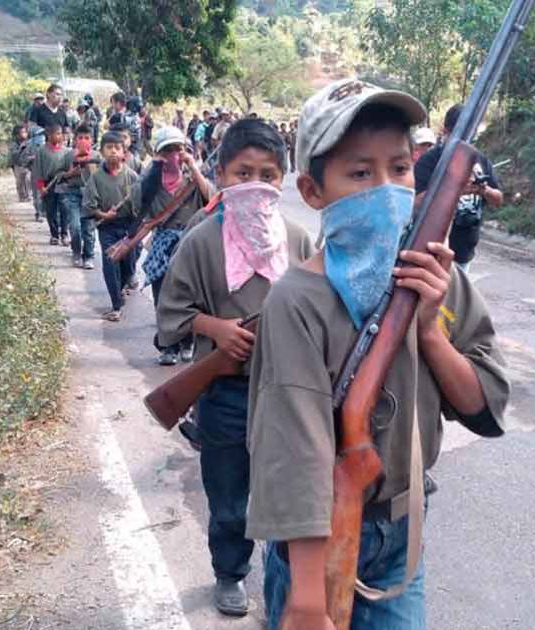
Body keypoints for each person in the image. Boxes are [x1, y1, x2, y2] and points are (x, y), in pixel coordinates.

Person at [246, 78, 510, 630]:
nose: (387, 189)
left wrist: (429, 330)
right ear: (312, 190)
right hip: (313, 541)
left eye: (400, 168)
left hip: (402, 532)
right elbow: (293, 454)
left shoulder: (438, 279)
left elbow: (484, 406)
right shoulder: (296, 300)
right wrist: (307, 600)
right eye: (360, 173)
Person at [155, 119, 314, 617]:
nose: (256, 184)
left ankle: (289, 580)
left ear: (283, 180)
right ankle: (230, 573)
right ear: (221, 174)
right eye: (243, 173)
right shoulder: (202, 240)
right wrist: (216, 328)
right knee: (228, 497)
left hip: (288, 393)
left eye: (268, 175)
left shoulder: (297, 239)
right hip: (225, 391)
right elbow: (170, 315)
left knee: (290, 493)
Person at [133, 126, 214, 364]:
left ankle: (187, 341)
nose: (173, 156)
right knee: (163, 297)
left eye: (178, 150)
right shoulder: (150, 179)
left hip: (190, 243)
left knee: (190, 296)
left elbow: (212, 198)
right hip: (163, 244)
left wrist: (193, 167)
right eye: (167, 151)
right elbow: (137, 203)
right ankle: (168, 346)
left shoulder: (193, 178)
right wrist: (154, 170)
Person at [414, 103, 504, 272]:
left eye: (472, 135)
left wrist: (484, 190)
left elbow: (498, 199)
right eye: (462, 135)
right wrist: (454, 189)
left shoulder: (480, 160)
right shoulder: (430, 161)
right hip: (430, 251)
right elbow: (415, 203)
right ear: (446, 131)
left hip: (464, 254)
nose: (466, 141)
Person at [83, 131, 140, 322]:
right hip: (107, 227)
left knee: (128, 266)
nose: (113, 151)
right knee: (110, 265)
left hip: (128, 227)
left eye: (117, 148)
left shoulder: (132, 176)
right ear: (101, 152)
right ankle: (116, 305)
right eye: (109, 148)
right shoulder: (96, 178)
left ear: (124, 152)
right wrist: (103, 214)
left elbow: (141, 203)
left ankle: (121, 288)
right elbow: (90, 206)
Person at [32, 124, 75, 247]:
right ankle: (54, 234)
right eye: (57, 134)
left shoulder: (67, 151)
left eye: (60, 134)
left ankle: (64, 234)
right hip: (48, 184)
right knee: (51, 210)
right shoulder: (41, 151)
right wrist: (41, 187)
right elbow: (38, 170)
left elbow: (69, 169)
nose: (59, 136)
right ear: (49, 135)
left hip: (62, 183)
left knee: (64, 209)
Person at [62, 124, 97, 268]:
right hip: (73, 193)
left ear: (92, 140)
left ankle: (88, 255)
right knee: (75, 225)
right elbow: (60, 175)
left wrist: (89, 166)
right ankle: (76, 251)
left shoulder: (96, 156)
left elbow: (100, 177)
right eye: (80, 138)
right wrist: (70, 173)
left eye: (87, 138)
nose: (83, 141)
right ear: (75, 140)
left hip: (90, 195)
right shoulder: (69, 155)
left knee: (88, 228)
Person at [10, 125, 34, 203]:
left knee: (28, 179)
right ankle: (22, 196)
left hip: (27, 165)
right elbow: (13, 155)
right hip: (18, 165)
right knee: (19, 182)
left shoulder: (29, 143)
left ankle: (29, 195)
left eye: (25, 132)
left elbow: (33, 153)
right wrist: (21, 148)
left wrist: (32, 158)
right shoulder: (14, 144)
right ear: (17, 135)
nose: (24, 134)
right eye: (22, 132)